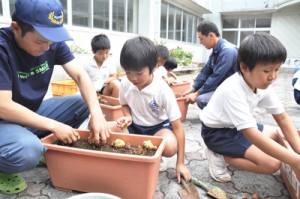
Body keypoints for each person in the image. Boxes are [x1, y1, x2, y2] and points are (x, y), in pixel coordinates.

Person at [0, 0, 112, 194]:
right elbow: (3, 106)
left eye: (51, 41)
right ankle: (4, 167)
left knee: (81, 103)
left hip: (28, 114)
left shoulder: (50, 41)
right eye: (40, 42)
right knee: (28, 150)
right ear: (16, 28)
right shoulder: (2, 48)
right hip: (3, 119)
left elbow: (80, 75)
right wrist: (53, 125)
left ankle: (40, 144)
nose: (47, 47)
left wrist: (97, 113)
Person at [200, 33, 300, 183]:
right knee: (272, 164)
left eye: (277, 69)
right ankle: (219, 156)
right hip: (217, 133)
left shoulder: (263, 85)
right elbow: (252, 134)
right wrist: (296, 161)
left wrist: (298, 152)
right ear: (244, 68)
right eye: (267, 71)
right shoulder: (233, 89)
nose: (273, 77)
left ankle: (237, 151)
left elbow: (282, 118)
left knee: (277, 134)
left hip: (236, 126)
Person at [116, 36, 191, 183]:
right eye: (128, 72)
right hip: (135, 126)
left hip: (158, 129)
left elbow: (178, 128)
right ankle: (141, 154)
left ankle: (156, 154)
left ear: (154, 67)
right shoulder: (125, 83)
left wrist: (180, 163)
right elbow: (124, 104)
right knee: (106, 130)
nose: (133, 78)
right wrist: (128, 116)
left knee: (169, 146)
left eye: (139, 73)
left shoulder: (163, 90)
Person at [183, 21, 238, 109]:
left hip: (232, 92)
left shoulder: (227, 51)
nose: (201, 42)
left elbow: (216, 77)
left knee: (201, 99)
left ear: (211, 35)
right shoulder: (216, 51)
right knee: (199, 90)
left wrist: (197, 94)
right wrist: (192, 89)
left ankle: (227, 116)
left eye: (201, 39)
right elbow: (205, 72)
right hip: (222, 87)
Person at [83, 34, 120, 98]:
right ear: (93, 51)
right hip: (91, 91)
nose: (104, 56)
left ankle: (112, 106)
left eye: (107, 52)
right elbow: (81, 79)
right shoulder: (87, 64)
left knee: (116, 84)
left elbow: (114, 77)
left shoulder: (110, 62)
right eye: (100, 53)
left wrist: (102, 82)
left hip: (104, 90)